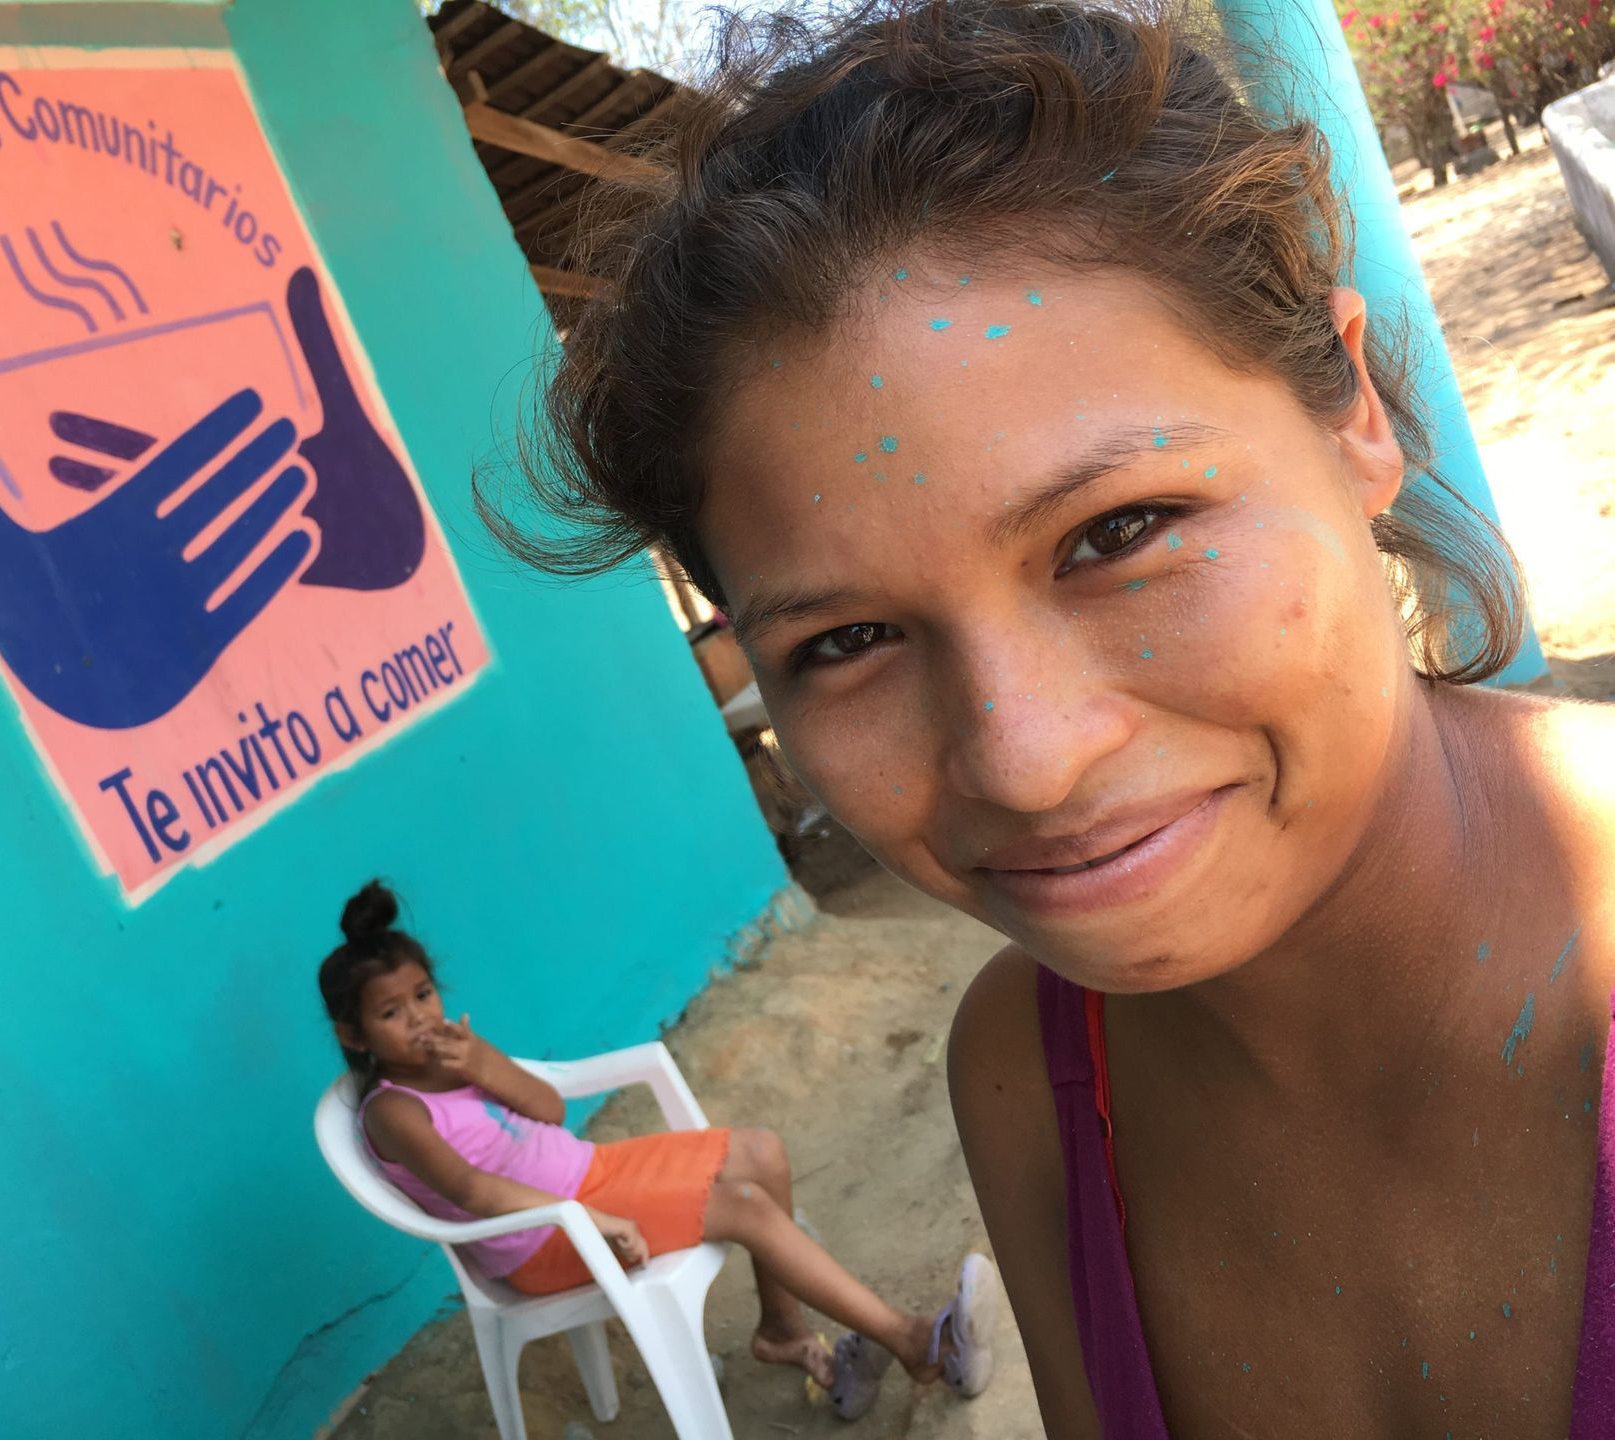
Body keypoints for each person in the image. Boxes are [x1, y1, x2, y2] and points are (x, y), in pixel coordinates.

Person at [479, 1, 1615, 1435]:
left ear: (1356, 413)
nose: (1027, 759)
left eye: (1118, 529)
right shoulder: (1029, 1074)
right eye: (847, 641)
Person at [319, 879, 997, 1419]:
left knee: (760, 1152)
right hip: (541, 1237)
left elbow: (549, 1109)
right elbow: (472, 1193)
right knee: (747, 1206)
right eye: (392, 1013)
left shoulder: (454, 1059)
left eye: (423, 994)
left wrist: (482, 1063)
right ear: (354, 1036)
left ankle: (782, 1332)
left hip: (592, 1173)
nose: (420, 1019)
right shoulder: (397, 1112)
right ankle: (911, 1342)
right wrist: (591, 1220)